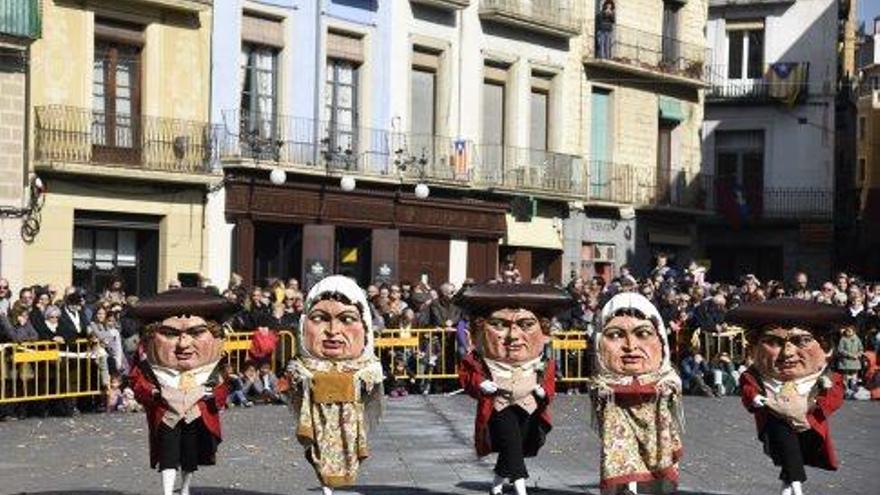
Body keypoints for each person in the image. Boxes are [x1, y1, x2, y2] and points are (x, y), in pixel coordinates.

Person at [456, 283, 571, 495]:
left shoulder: (543, 363)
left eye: (526, 325)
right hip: (499, 406)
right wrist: (480, 384)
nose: (513, 335)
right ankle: (521, 490)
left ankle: (496, 486)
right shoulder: (479, 362)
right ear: (478, 331)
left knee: (514, 447)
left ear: (544, 334)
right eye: (499, 325)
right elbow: (467, 378)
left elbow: (549, 385)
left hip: (529, 406)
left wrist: (544, 393)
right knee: (512, 443)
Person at [726, 298, 847, 495]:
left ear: (827, 348)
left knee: (791, 451)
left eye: (802, 341)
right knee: (783, 436)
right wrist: (756, 400)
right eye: (774, 342)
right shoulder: (754, 377)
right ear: (753, 349)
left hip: (808, 427)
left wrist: (817, 403)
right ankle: (796, 486)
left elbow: (835, 396)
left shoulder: (828, 378)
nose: (788, 353)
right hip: (774, 418)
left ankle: (787, 483)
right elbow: (748, 391)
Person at [128, 288, 234, 495]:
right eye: (170, 334)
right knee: (167, 453)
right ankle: (168, 492)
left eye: (196, 333)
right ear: (150, 339)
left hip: (196, 412)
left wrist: (213, 395)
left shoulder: (214, 369)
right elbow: (137, 384)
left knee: (189, 453)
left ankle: (184, 488)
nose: (183, 344)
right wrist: (153, 393)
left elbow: (223, 387)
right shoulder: (149, 369)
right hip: (167, 413)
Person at [288, 275, 384, 495]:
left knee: (346, 450)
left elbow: (372, 385)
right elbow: (292, 384)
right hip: (317, 418)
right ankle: (325, 488)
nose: (333, 330)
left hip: (348, 420)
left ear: (365, 326)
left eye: (347, 319)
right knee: (318, 453)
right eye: (320, 318)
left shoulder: (367, 368)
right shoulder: (301, 367)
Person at [590, 292, 684, 495]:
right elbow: (598, 391)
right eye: (615, 335)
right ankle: (628, 488)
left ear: (660, 340)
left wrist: (665, 390)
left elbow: (673, 388)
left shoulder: (665, 378)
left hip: (654, 431)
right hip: (620, 424)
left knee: (655, 460)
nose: (630, 346)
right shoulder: (604, 383)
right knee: (624, 452)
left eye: (642, 334)